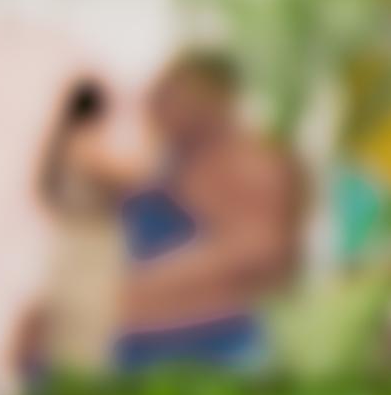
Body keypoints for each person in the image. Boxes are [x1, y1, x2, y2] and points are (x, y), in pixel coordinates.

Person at [112, 47, 302, 369]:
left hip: (208, 347)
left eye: (169, 93)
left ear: (213, 100)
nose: (153, 102)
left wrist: (126, 294)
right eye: (158, 92)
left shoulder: (248, 165)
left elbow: (254, 251)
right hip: (140, 340)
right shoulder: (175, 160)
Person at [23, 77, 133, 383]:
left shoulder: (59, 143)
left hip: (68, 243)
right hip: (90, 245)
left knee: (67, 331)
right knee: (88, 331)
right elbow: (128, 176)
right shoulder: (86, 143)